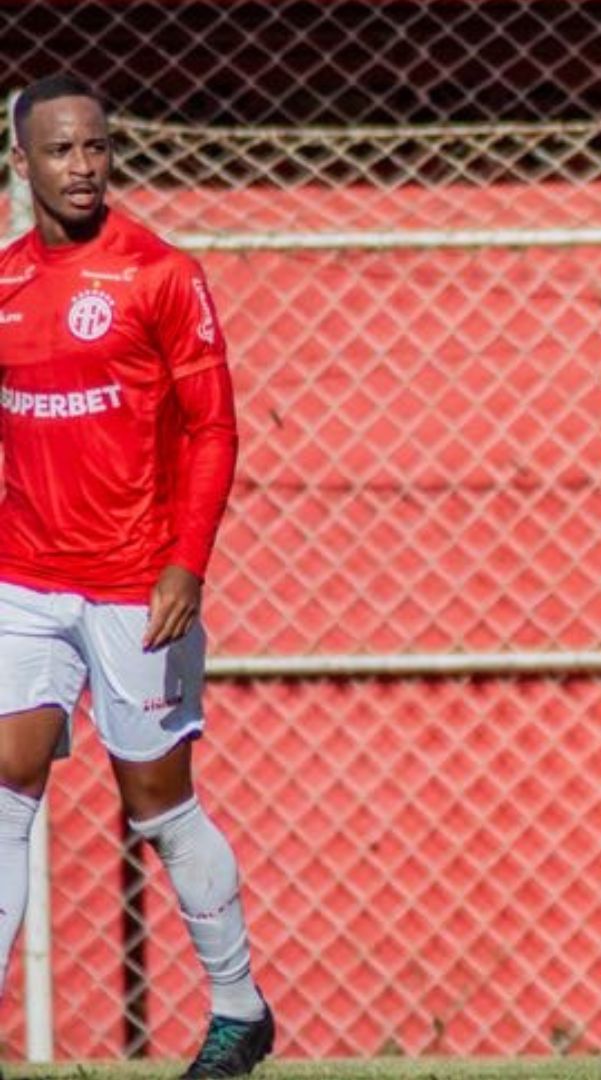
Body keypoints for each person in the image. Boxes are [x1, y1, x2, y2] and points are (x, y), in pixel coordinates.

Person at [0, 76, 273, 1077]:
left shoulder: (161, 274)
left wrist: (185, 563)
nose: (83, 166)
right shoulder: (4, 282)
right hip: (22, 579)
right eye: (61, 150)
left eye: (96, 147)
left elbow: (213, 428)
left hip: (131, 581)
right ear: (21, 164)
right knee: (6, 779)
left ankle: (240, 1009)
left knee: (156, 802)